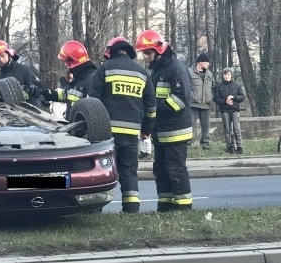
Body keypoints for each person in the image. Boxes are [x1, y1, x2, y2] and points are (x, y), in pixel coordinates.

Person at [88, 36, 157, 213]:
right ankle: (132, 207)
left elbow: (92, 103)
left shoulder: (105, 69)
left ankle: (95, 209)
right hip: (132, 133)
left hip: (107, 132)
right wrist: (147, 131)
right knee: (129, 170)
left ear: (111, 52)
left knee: (103, 169)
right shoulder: (142, 73)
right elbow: (150, 107)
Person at [135, 30, 193, 212]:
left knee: (175, 170)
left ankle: (183, 209)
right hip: (161, 133)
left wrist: (153, 107)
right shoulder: (157, 71)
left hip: (175, 132)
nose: (146, 57)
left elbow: (181, 99)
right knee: (161, 171)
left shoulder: (176, 69)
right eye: (144, 54)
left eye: (148, 53)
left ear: (159, 50)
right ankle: (166, 208)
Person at [40, 40, 97, 111]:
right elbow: (70, 95)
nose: (65, 65)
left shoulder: (91, 81)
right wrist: (53, 94)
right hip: (72, 122)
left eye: (66, 62)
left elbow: (93, 112)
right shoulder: (80, 79)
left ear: (72, 62)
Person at [0, 39, 44, 107]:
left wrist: (37, 91)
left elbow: (43, 93)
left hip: (32, 115)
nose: (1, 60)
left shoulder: (26, 71)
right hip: (9, 116)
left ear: (8, 53)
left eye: (2, 56)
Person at [187, 52, 216, 150]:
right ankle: (187, 144)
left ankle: (206, 145)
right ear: (201, 62)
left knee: (206, 126)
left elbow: (213, 87)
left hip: (206, 105)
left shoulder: (210, 74)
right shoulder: (189, 72)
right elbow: (186, 87)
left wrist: (210, 98)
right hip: (193, 104)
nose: (209, 64)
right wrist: (191, 97)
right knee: (189, 125)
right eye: (207, 62)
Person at [214, 67, 244, 154]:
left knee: (236, 128)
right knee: (227, 129)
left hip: (235, 109)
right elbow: (216, 99)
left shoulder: (236, 86)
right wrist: (225, 101)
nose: (226, 76)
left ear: (231, 75)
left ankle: (239, 146)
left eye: (228, 74)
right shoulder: (218, 86)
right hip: (224, 110)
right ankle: (229, 146)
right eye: (225, 74)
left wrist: (234, 97)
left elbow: (242, 97)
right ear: (222, 75)